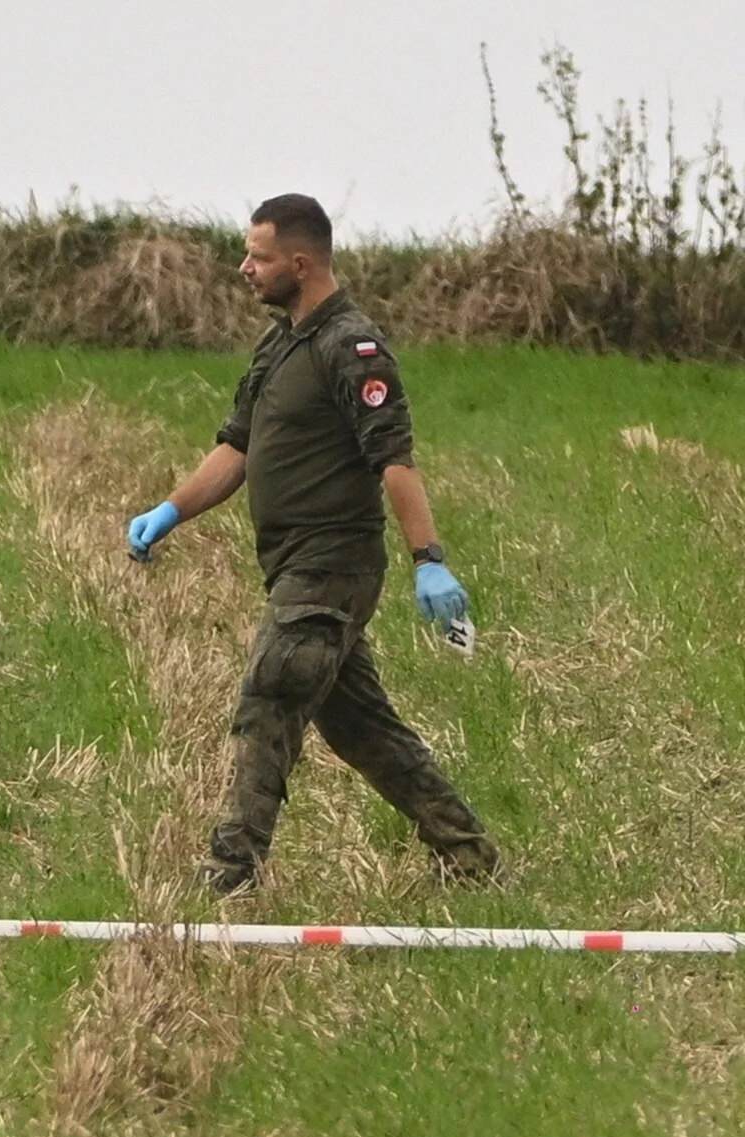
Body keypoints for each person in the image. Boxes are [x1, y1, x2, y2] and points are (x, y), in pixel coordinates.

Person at [126, 193, 498, 896]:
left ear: (299, 262)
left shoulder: (350, 347)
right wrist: (167, 512)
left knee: (271, 692)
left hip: (332, 565)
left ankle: (231, 870)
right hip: (294, 565)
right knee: (361, 728)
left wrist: (430, 562)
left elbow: (394, 461)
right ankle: (471, 856)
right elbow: (236, 449)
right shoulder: (280, 344)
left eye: (257, 257)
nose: (244, 268)